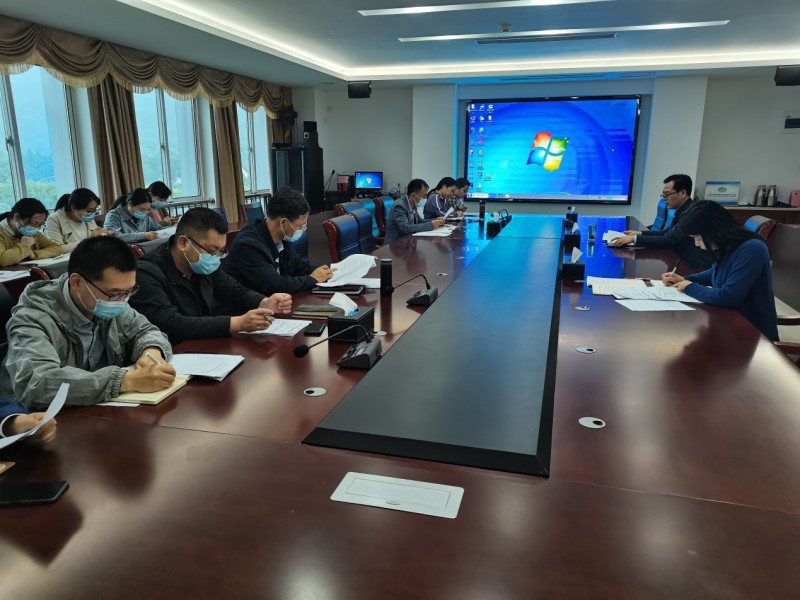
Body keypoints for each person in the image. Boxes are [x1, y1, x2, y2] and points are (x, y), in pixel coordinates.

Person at [0, 236, 175, 408]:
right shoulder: (32, 317)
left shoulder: (109, 301)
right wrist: (124, 381)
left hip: (98, 408)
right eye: (114, 293)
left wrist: (151, 351)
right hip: (37, 417)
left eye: (128, 292)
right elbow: (37, 384)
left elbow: (146, 331)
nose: (122, 301)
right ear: (77, 282)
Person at [131, 207, 293, 344]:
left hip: (204, 344)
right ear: (183, 243)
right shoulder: (146, 273)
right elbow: (170, 324)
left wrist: (263, 302)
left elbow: (233, 290)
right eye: (212, 251)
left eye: (220, 252)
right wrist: (238, 323)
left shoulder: (201, 263)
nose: (215, 258)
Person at [661, 200, 778, 341]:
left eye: (698, 238)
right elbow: (715, 273)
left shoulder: (751, 249)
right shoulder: (729, 246)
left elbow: (728, 297)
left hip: (753, 335)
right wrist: (684, 280)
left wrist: (689, 287)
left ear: (714, 231)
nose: (696, 243)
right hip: (729, 323)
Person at [224, 188, 334, 295]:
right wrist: (312, 279)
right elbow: (275, 285)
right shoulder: (248, 246)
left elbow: (298, 266)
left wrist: (326, 272)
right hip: (247, 305)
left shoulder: (283, 237)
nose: (303, 229)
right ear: (283, 223)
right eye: (301, 226)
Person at [609, 174, 714, 269]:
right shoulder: (684, 210)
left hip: (694, 267)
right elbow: (667, 232)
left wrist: (634, 239)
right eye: (664, 195)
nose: (664, 199)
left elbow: (668, 240)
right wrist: (640, 233)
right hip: (681, 261)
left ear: (682, 193)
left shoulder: (691, 214)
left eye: (667, 194)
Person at [0, 197, 64, 267]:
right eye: (34, 223)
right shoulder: (2, 232)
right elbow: (2, 259)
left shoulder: (33, 233)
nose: (36, 228)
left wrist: (34, 255)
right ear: (17, 217)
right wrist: (25, 246)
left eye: (40, 224)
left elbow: (58, 248)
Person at [45, 188, 112, 252]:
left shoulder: (86, 217)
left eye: (95, 210)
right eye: (89, 210)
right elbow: (56, 249)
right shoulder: (54, 219)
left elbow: (96, 235)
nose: (92, 214)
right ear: (73, 208)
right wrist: (89, 240)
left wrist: (105, 235)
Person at [384, 179, 445, 244]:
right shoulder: (400, 206)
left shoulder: (413, 204)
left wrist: (435, 220)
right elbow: (405, 228)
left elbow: (420, 221)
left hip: (409, 241)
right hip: (395, 245)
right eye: (424, 195)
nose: (426, 198)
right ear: (413, 195)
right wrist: (431, 225)